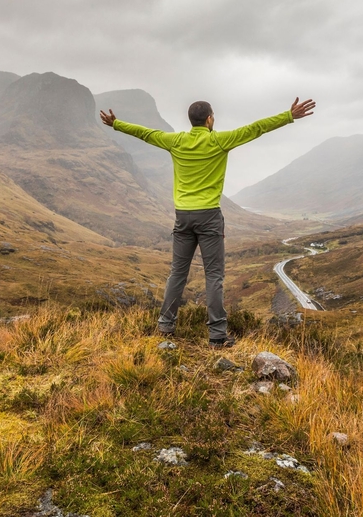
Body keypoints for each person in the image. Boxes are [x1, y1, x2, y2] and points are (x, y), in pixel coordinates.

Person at [100, 97, 315, 347]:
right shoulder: (219, 141)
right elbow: (256, 128)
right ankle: (217, 336)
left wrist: (116, 124)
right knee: (214, 276)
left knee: (177, 273)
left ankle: (166, 326)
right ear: (210, 119)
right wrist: (288, 116)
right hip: (210, 217)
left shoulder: (175, 141)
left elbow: (146, 134)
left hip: (183, 216)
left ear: (191, 120)